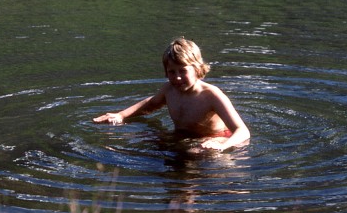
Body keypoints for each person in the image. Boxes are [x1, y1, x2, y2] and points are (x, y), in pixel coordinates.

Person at [93, 37, 250, 152]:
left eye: (183, 71)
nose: (177, 77)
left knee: (193, 153)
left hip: (214, 139)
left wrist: (222, 145)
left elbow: (243, 131)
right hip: (180, 137)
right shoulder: (169, 90)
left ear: (197, 69)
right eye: (172, 72)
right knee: (139, 140)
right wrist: (121, 115)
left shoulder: (211, 95)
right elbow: (151, 104)